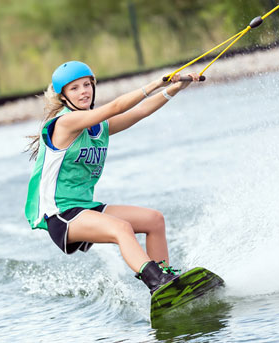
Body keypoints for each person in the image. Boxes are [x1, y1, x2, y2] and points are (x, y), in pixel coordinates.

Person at [25, 61, 200, 294]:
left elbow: (140, 111)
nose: (83, 91)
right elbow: (116, 106)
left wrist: (175, 88)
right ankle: (157, 283)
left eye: (87, 85)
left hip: (85, 208)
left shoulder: (99, 128)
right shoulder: (65, 123)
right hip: (61, 214)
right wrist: (157, 82)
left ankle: (167, 279)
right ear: (63, 96)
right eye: (74, 88)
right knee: (121, 228)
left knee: (154, 220)